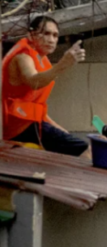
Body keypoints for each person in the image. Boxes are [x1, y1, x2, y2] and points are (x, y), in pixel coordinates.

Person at [2, 15, 88, 156]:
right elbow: (34, 81)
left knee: (77, 144)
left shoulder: (42, 60)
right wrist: (63, 64)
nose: (51, 40)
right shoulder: (23, 57)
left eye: (55, 35)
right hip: (17, 126)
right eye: (46, 33)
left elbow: (39, 111)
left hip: (28, 124)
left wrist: (63, 132)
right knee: (84, 149)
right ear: (31, 35)